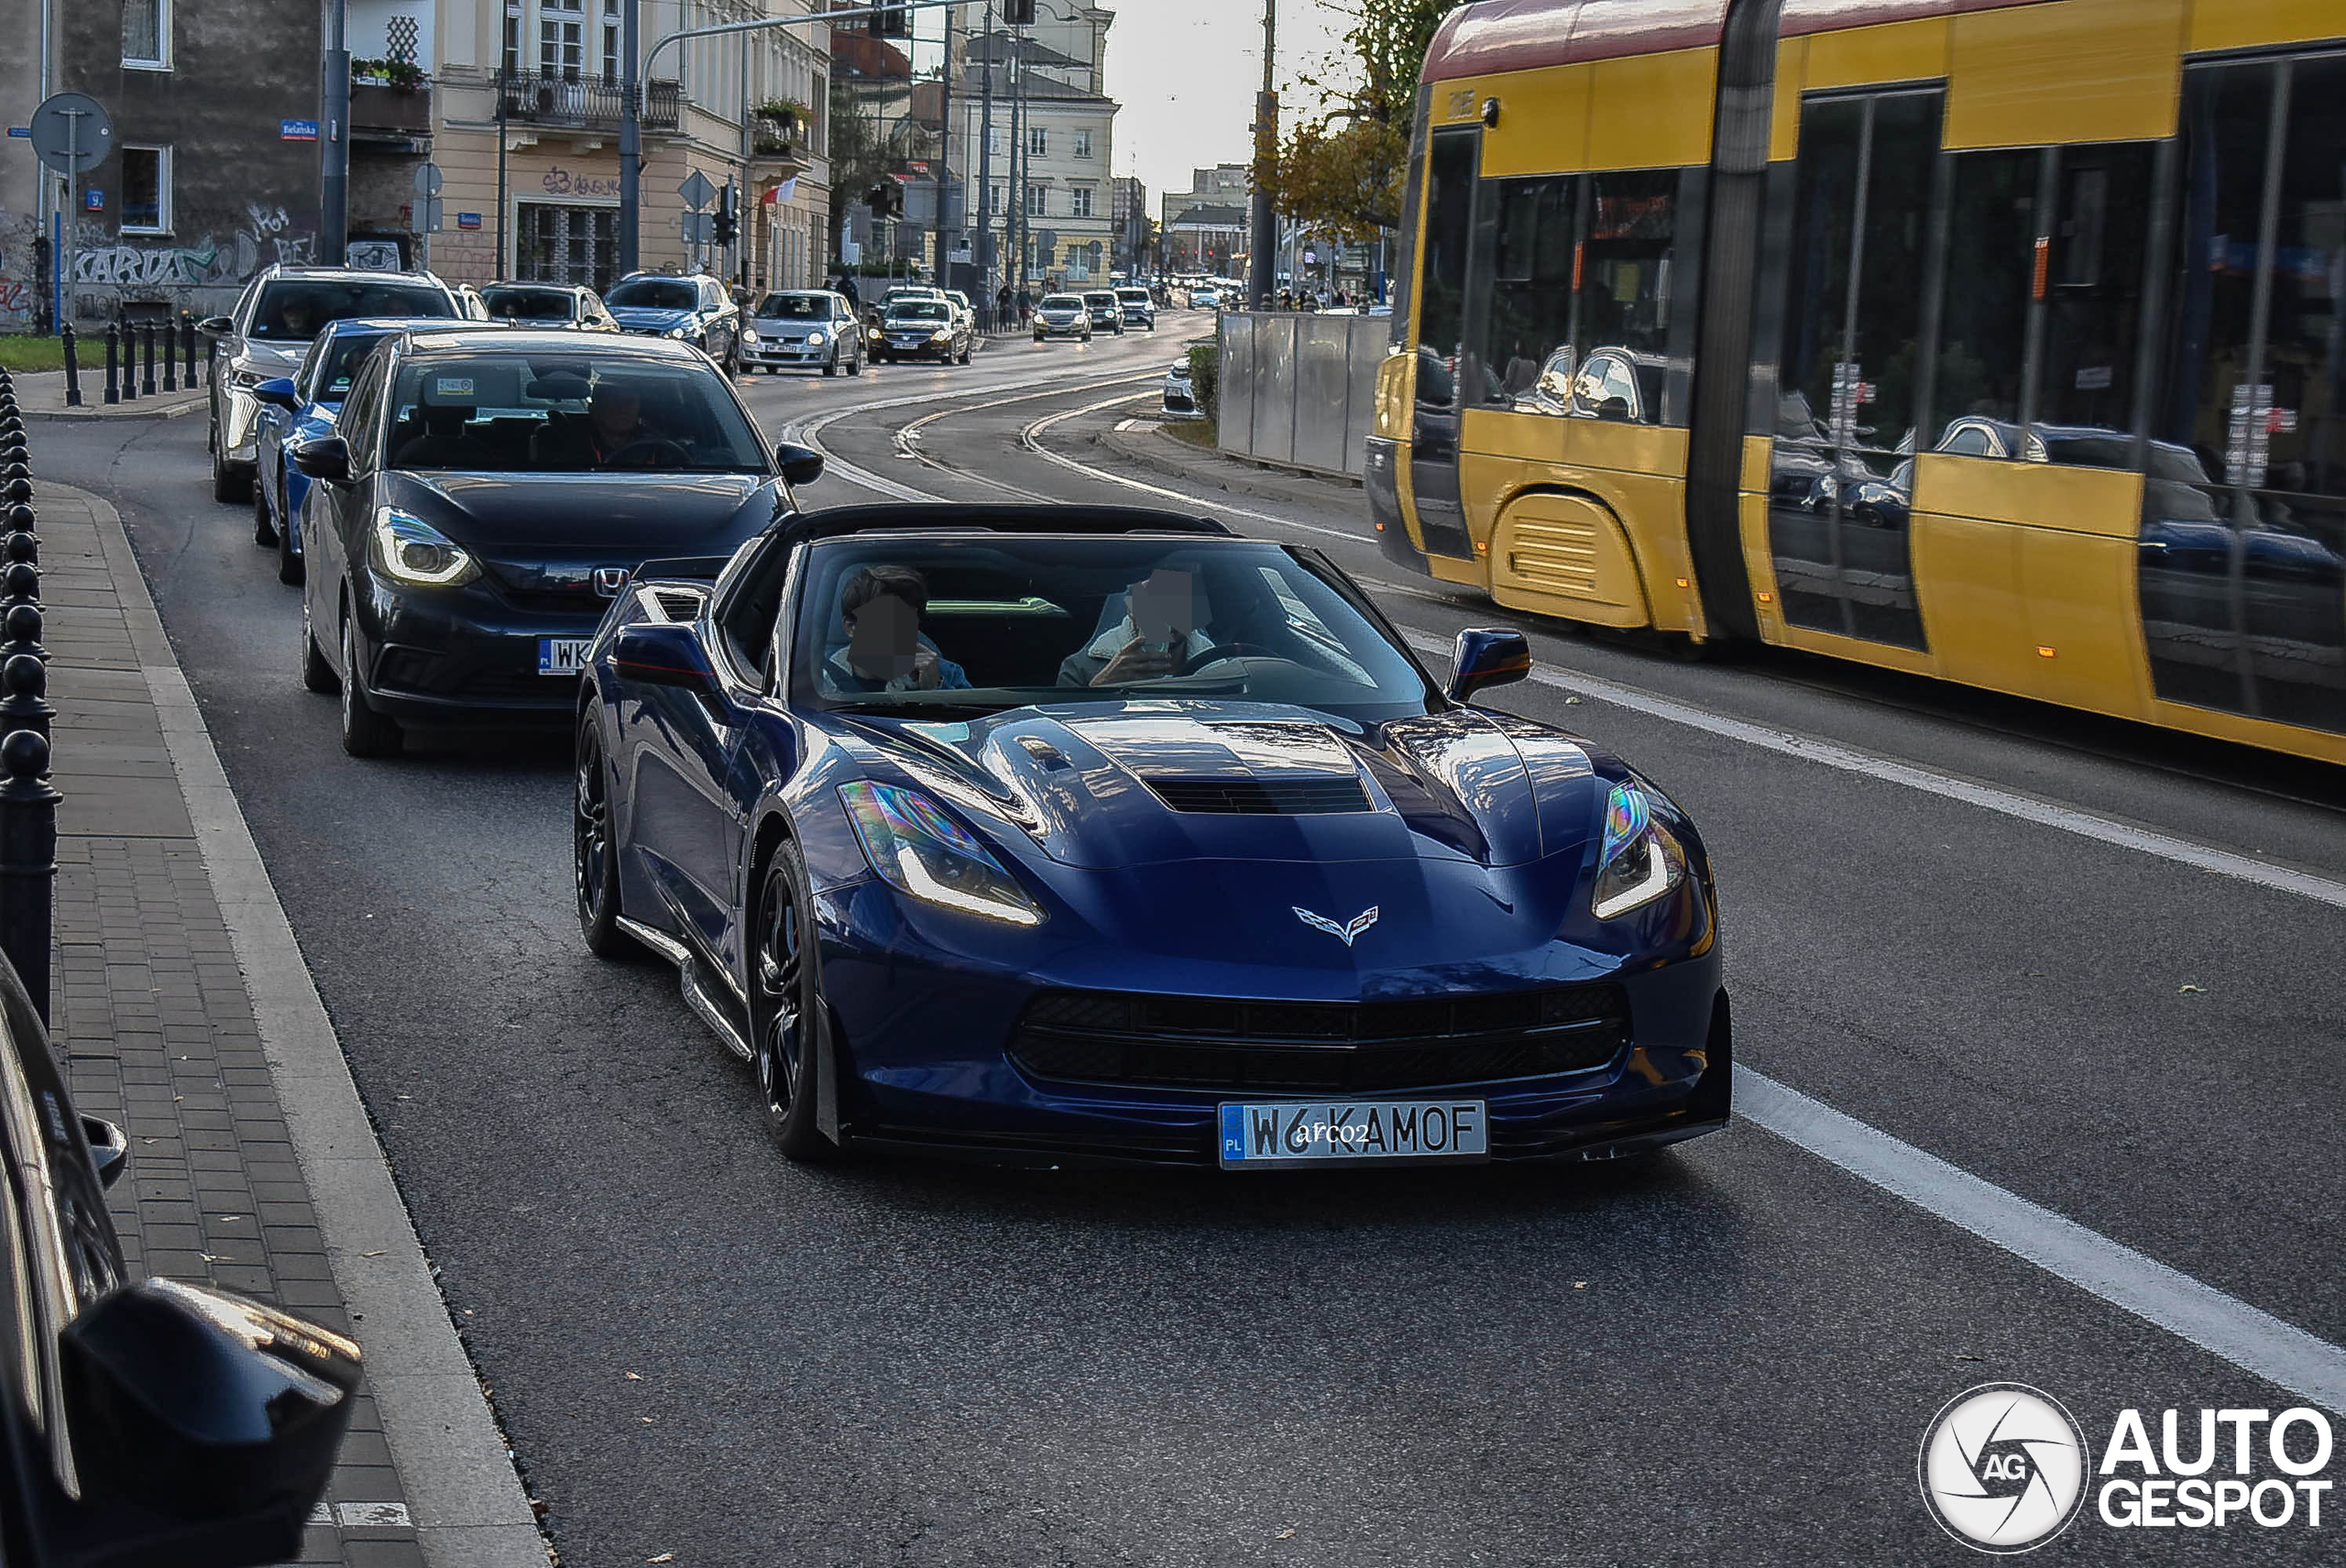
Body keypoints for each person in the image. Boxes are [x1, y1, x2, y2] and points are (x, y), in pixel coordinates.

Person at [1058, 567, 1215, 688]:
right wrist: (1103, 684)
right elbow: (1061, 724)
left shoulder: (1223, 667)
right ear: (1131, 612)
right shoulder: (1080, 669)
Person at [824, 565, 970, 693]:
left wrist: (935, 690)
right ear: (851, 628)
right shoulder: (821, 681)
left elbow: (977, 720)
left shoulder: (946, 674)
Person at [534, 381, 658, 468]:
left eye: (629, 402)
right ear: (593, 409)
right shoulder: (567, 447)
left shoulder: (657, 447)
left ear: (640, 409)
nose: (622, 409)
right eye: (613, 401)